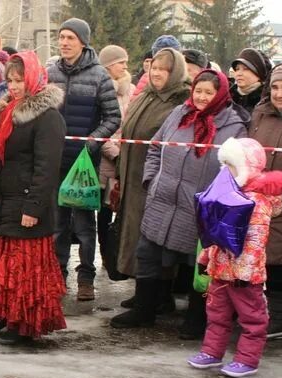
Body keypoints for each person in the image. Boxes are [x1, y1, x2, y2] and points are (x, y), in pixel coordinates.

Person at [110, 70, 248, 330]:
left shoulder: (234, 126)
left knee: (197, 262)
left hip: (200, 206)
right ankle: (144, 310)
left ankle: (196, 318)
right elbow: (155, 147)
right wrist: (152, 181)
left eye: (209, 92)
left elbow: (237, 170)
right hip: (162, 200)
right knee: (147, 255)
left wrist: (215, 200)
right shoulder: (179, 114)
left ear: (219, 95)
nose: (202, 97)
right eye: (199, 91)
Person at [0, 51, 67, 345]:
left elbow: (46, 169)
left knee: (22, 268)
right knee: (0, 264)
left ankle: (23, 322)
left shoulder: (48, 118)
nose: (13, 87)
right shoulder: (7, 113)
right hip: (2, 202)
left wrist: (33, 207)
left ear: (33, 80)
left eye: (19, 81)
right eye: (10, 80)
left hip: (26, 204)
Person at [188, 138, 282, 377]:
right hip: (220, 271)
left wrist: (245, 270)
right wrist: (206, 257)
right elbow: (216, 233)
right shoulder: (228, 194)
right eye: (224, 165)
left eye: (231, 166)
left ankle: (248, 359)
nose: (225, 171)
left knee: (252, 318)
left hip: (245, 275)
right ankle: (212, 352)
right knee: (217, 314)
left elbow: (256, 240)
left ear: (246, 168)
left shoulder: (256, 201)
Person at [48, 18, 121, 301]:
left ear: (83, 42)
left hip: (84, 163)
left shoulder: (99, 75)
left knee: (84, 225)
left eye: (70, 38)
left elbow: (113, 117)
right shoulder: (50, 72)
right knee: (57, 223)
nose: (64, 42)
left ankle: (87, 276)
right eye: (61, 37)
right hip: (56, 160)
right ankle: (58, 275)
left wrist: (93, 141)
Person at [115, 49, 191, 307]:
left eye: (164, 69)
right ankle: (143, 292)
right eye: (154, 68)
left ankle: (160, 296)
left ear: (176, 73)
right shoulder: (146, 95)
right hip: (132, 177)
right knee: (136, 235)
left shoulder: (180, 102)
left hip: (156, 181)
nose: (157, 73)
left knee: (156, 238)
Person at [249, 64, 282, 341]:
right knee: (272, 264)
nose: (280, 93)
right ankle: (278, 319)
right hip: (263, 203)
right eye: (275, 87)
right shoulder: (261, 114)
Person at [97, 45, 134, 275]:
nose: (125, 66)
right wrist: (114, 152)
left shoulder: (130, 90)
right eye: (121, 62)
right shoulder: (101, 90)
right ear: (109, 65)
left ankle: (119, 257)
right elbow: (99, 128)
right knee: (103, 213)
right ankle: (105, 255)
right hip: (106, 161)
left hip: (125, 160)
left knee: (121, 210)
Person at [230, 48, 272, 115]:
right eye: (237, 69)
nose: (238, 73)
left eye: (245, 69)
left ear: (259, 74)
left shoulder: (269, 102)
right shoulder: (227, 99)